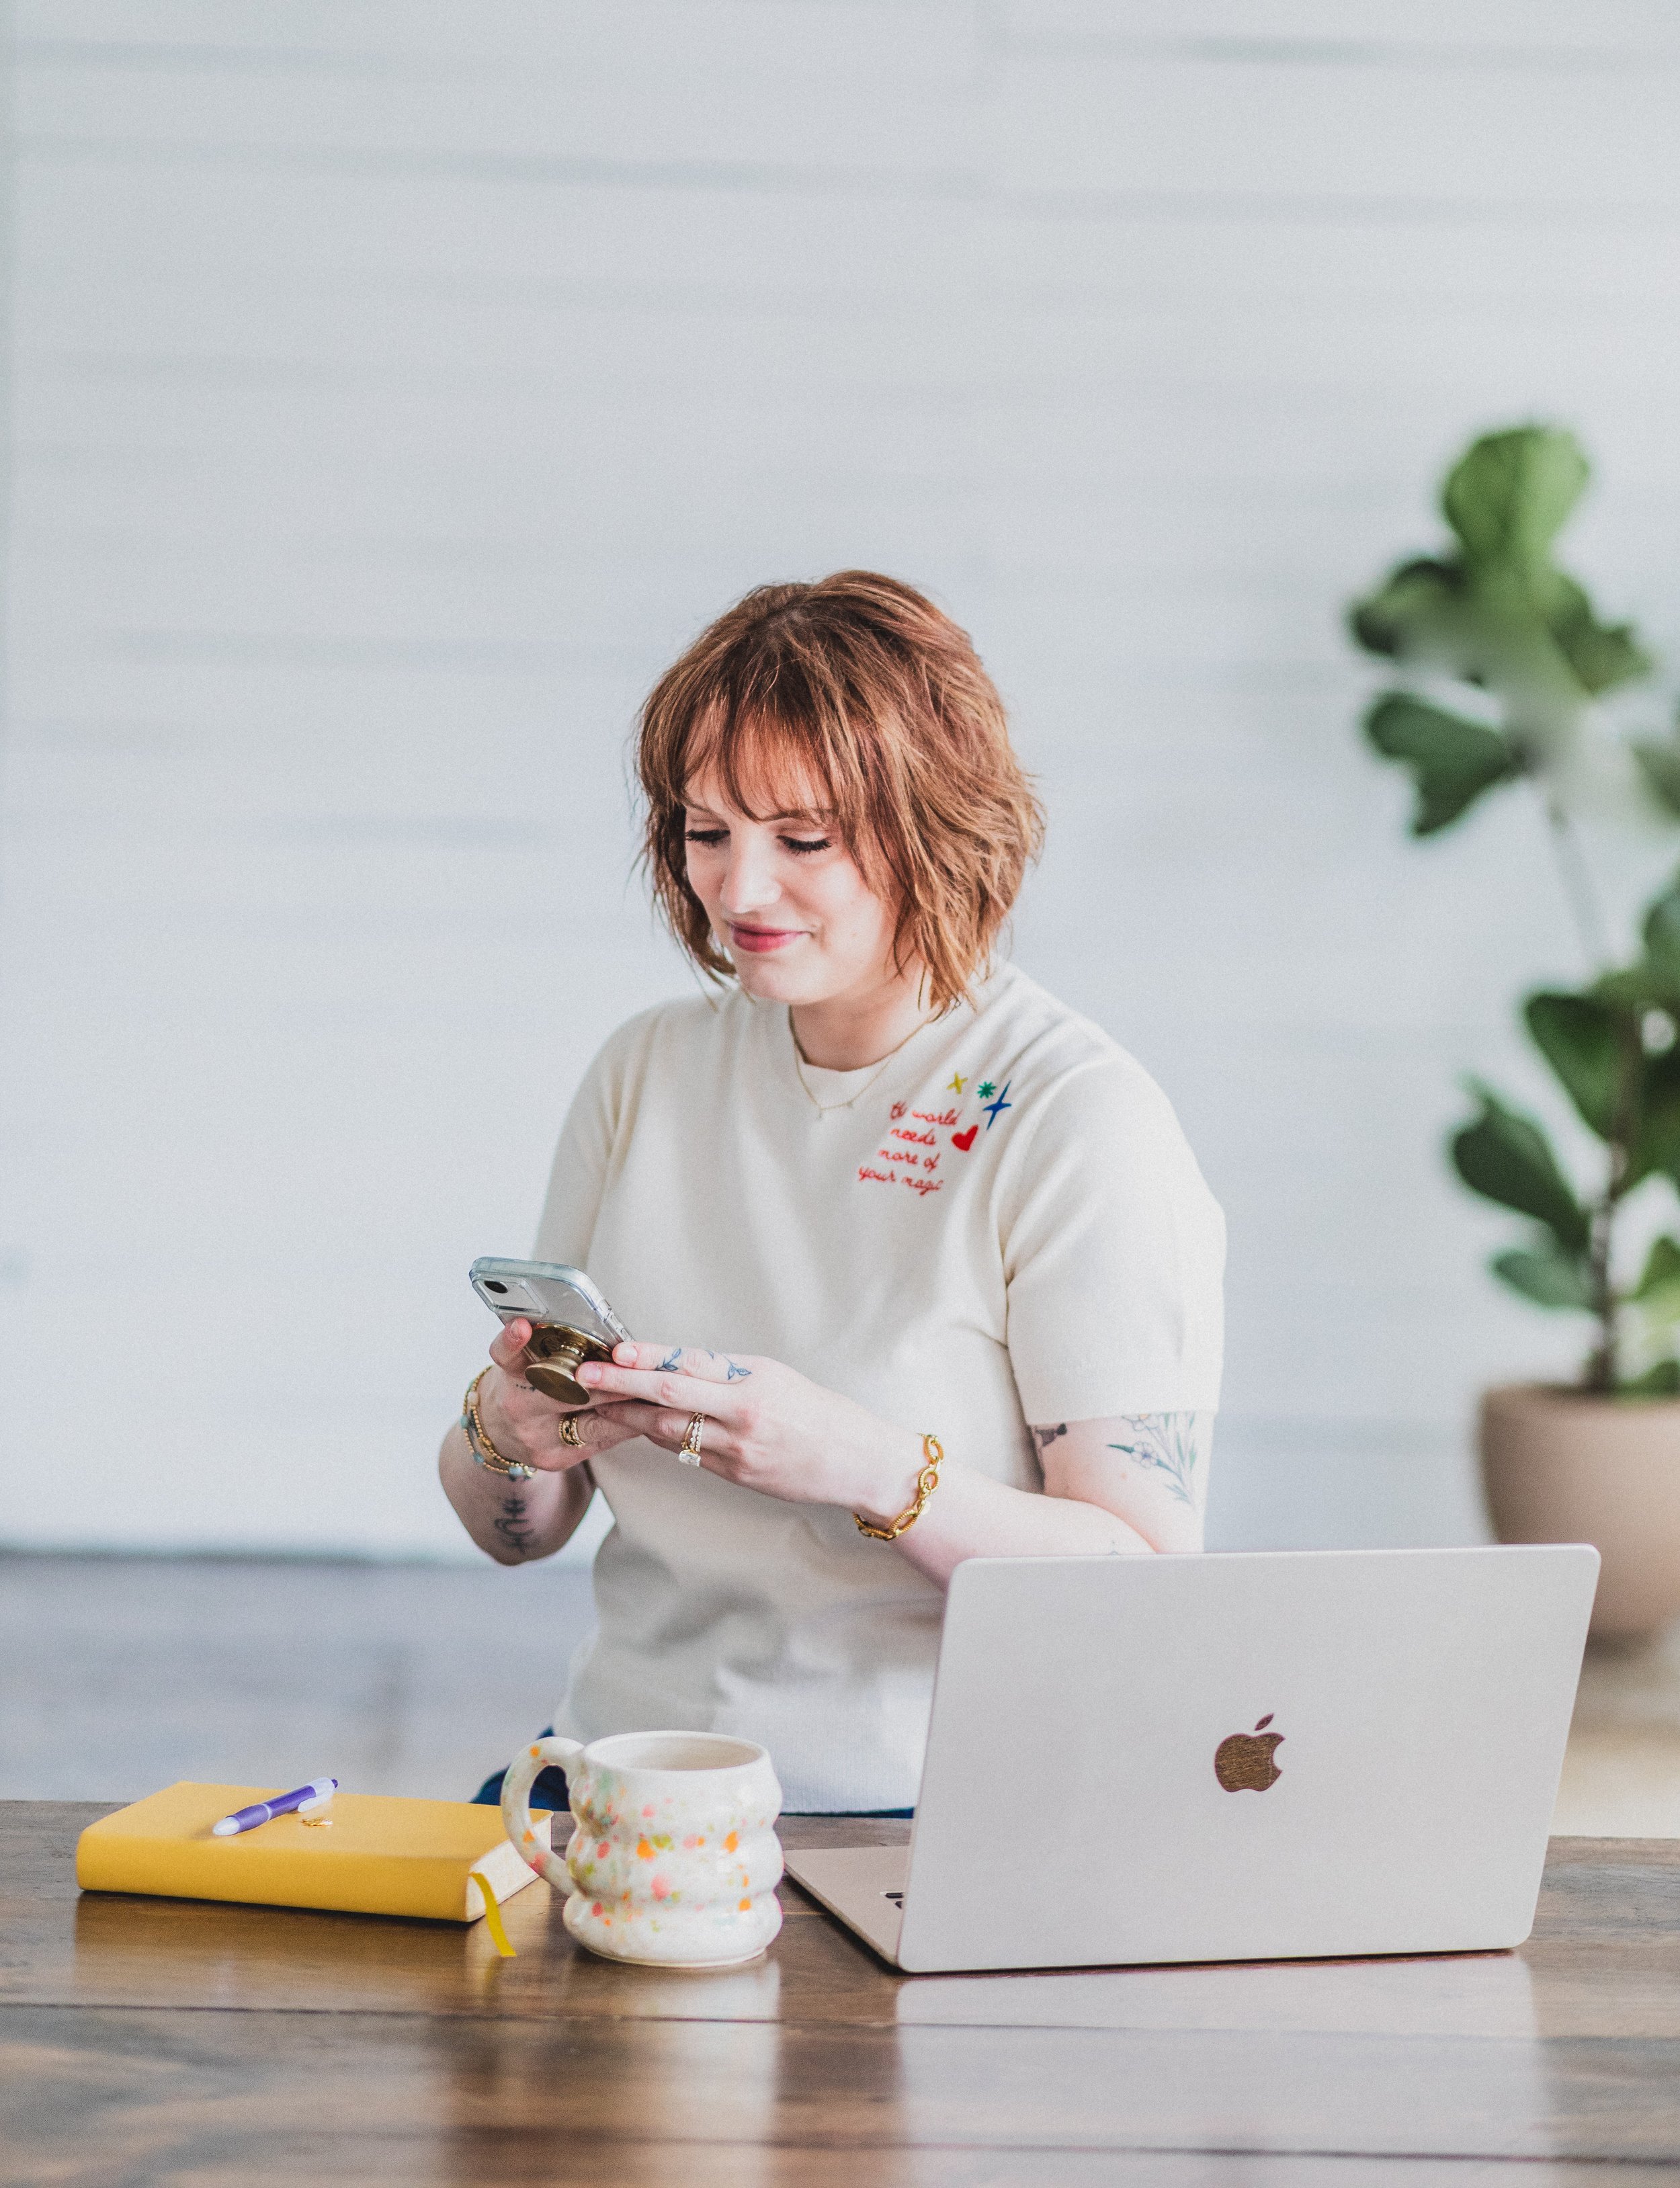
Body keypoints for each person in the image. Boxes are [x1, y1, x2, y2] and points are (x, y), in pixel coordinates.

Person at [442, 571, 1224, 1816]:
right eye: (708, 833)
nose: (741, 892)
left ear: (938, 826)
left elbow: (1136, 1580)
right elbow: (515, 1530)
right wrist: (506, 1433)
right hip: (620, 1781)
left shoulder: (1078, 1118)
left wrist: (861, 1466)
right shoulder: (646, 1070)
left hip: (921, 1818)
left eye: (803, 840)